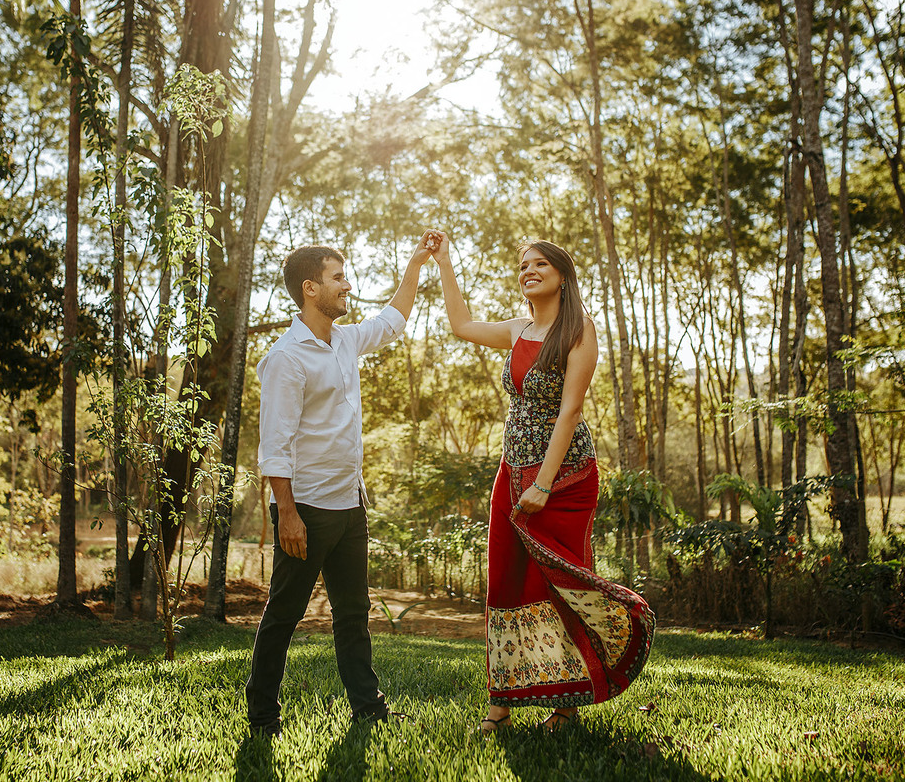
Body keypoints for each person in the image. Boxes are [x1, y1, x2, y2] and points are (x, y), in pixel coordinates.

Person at [429, 232, 655, 732]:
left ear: (561, 276)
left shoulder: (579, 330)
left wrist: (544, 484)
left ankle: (567, 704)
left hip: (564, 477)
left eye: (539, 265)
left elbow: (570, 410)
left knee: (561, 582)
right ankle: (501, 704)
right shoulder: (516, 330)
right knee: (506, 579)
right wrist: (444, 261)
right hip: (513, 472)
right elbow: (461, 325)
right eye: (522, 264)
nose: (527, 270)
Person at [245, 236, 434, 738]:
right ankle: (263, 717)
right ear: (310, 289)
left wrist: (414, 262)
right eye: (337, 277)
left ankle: (369, 708)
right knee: (284, 615)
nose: (346, 285)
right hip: (305, 508)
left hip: (350, 504)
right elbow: (274, 446)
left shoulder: (345, 339)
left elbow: (393, 320)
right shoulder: (286, 358)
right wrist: (285, 513)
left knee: (353, 613)